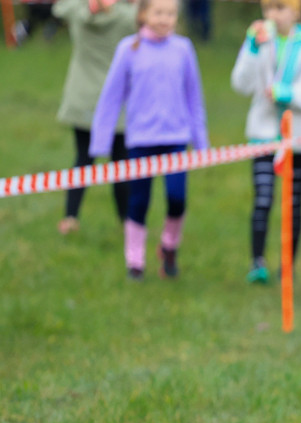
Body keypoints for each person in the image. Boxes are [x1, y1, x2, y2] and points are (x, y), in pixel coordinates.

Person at [90, 0, 209, 280]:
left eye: (170, 14)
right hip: (141, 140)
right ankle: (135, 262)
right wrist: (100, 142)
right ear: (143, 14)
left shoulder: (183, 49)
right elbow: (110, 98)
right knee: (138, 201)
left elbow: (194, 97)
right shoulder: (128, 50)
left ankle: (169, 246)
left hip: (176, 138)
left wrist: (201, 141)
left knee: (177, 198)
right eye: (158, 13)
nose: (164, 19)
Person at [230, 0, 301, 285]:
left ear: (295, 11)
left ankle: (287, 266)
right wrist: (252, 49)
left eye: (280, 8)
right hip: (264, 132)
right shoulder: (259, 40)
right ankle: (257, 262)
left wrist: (286, 92)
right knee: (263, 197)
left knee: (292, 201)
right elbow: (240, 84)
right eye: (268, 8)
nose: (272, 15)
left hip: (297, 135)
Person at [53, 0, 137, 235]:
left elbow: (59, 7)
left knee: (83, 160)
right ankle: (125, 221)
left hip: (83, 99)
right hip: (118, 101)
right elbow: (146, 17)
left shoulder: (77, 12)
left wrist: (88, 7)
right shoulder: (126, 18)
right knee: (120, 165)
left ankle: (70, 217)